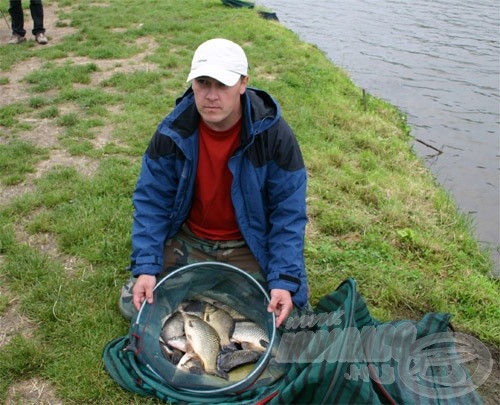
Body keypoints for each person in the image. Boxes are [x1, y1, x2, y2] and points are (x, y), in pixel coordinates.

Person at [119, 38, 310, 328]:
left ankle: (215, 289)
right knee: (134, 303)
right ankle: (211, 290)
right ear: (192, 83)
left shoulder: (274, 135)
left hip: (249, 243)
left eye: (222, 85)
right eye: (203, 83)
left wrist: (283, 281)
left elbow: (289, 213)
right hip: (191, 239)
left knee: (290, 315)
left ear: (243, 84)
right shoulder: (173, 132)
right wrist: (146, 267)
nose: (211, 95)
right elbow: (151, 201)